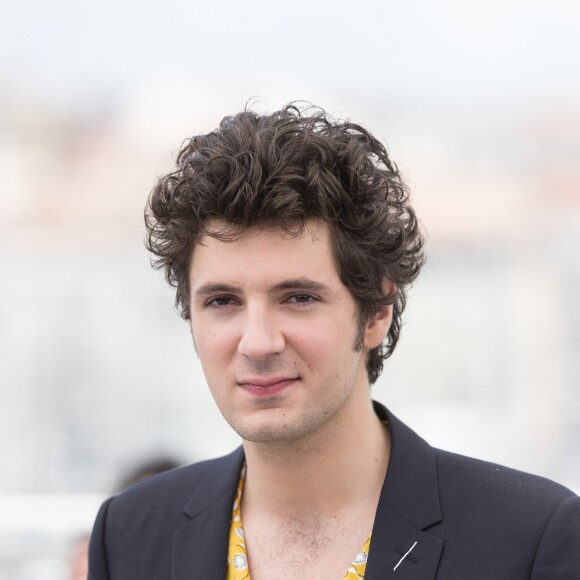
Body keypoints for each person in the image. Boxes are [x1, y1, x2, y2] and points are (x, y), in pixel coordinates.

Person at [88, 103, 580, 579]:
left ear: (376, 313)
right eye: (222, 301)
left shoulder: (532, 540)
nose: (257, 343)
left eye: (298, 298)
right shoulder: (129, 535)